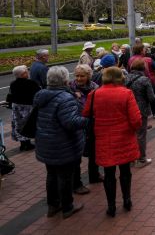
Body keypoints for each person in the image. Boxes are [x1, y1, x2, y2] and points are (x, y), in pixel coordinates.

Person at [84, 66, 141, 217]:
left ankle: (111, 206)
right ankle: (127, 200)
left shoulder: (94, 94)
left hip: (103, 139)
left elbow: (86, 113)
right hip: (124, 138)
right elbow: (136, 120)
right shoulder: (126, 93)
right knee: (125, 171)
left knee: (109, 173)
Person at [34, 66, 88, 219]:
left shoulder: (41, 95)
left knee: (51, 175)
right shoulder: (65, 98)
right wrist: (88, 120)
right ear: (65, 80)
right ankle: (67, 207)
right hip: (63, 144)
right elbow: (71, 122)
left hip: (46, 142)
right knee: (65, 177)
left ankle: (53, 205)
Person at [69, 64, 102, 193]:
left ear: (88, 76)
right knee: (76, 155)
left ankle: (94, 175)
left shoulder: (95, 87)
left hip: (92, 124)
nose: (78, 78)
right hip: (76, 125)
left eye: (82, 76)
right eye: (77, 75)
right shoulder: (70, 88)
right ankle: (76, 184)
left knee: (94, 151)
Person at [126, 59, 155, 168]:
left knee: (131, 134)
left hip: (128, 110)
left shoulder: (125, 78)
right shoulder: (144, 80)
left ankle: (131, 158)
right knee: (141, 135)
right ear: (143, 68)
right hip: (141, 110)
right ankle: (141, 159)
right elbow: (151, 97)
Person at [7, 65, 39, 151]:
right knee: (28, 124)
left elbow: (9, 97)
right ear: (22, 74)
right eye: (26, 72)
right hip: (28, 108)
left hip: (16, 107)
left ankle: (23, 144)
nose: (27, 73)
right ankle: (28, 144)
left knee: (19, 125)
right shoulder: (31, 83)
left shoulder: (13, 84)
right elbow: (38, 95)